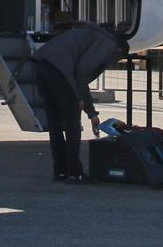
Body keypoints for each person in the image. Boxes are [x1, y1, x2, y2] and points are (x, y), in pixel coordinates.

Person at [31, 22, 130, 182]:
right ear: (119, 51)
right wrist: (86, 107)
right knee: (73, 127)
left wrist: (89, 109)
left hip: (42, 66)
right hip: (60, 72)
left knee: (55, 125)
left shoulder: (92, 34)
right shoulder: (109, 46)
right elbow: (82, 72)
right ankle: (74, 173)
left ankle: (60, 171)